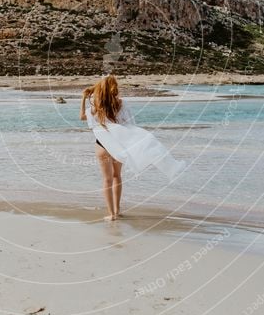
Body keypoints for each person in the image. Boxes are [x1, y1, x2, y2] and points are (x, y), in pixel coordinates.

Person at [80, 74, 186, 221]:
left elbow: (83, 117)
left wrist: (84, 98)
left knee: (107, 180)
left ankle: (111, 215)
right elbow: (130, 123)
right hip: (119, 146)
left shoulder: (95, 105)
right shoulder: (121, 103)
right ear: (114, 87)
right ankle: (117, 211)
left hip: (102, 146)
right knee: (117, 176)